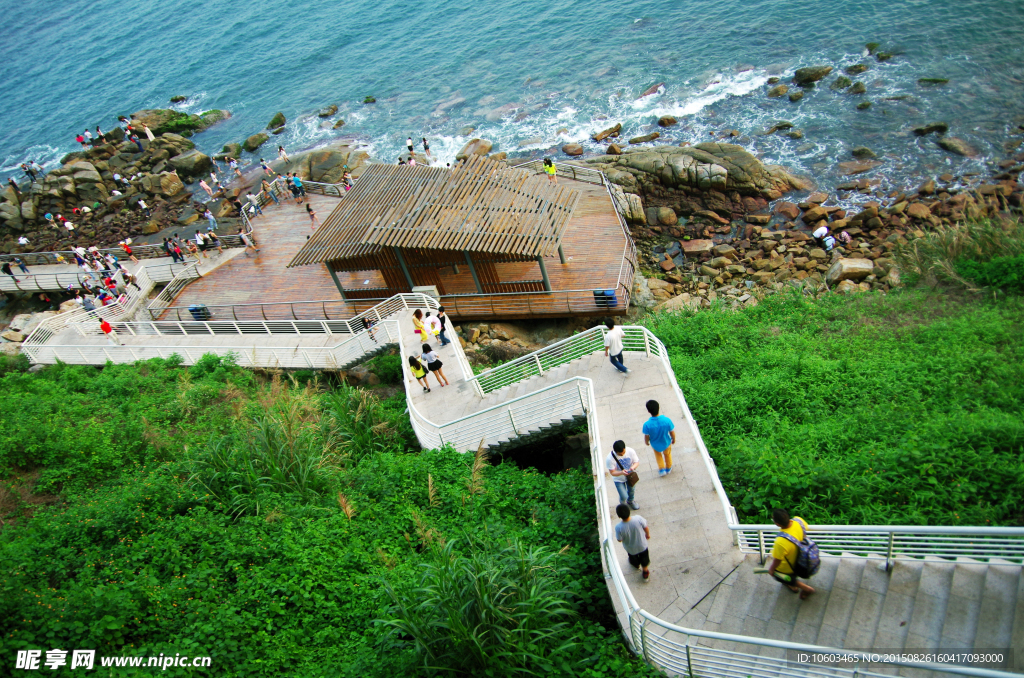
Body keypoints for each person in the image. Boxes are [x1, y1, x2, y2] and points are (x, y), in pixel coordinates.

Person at [767, 509, 817, 599]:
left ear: (777, 523)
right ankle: (793, 586)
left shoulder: (781, 542)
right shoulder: (798, 521)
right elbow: (806, 528)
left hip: (788, 567)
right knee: (792, 576)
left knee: (781, 577)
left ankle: (804, 588)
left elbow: (777, 560)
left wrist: (771, 569)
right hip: (801, 559)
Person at [615, 503, 651, 581]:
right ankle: (645, 572)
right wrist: (647, 534)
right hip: (642, 545)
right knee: (644, 558)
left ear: (619, 516)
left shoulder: (618, 527)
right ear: (629, 511)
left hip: (630, 548)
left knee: (633, 557)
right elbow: (645, 527)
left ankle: (636, 564)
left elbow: (619, 539)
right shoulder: (638, 518)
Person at [642, 400, 676, 477]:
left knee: (658, 456)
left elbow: (646, 436)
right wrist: (673, 439)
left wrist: (646, 442)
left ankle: (661, 469)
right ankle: (668, 467)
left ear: (648, 411)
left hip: (655, 444)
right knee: (667, 454)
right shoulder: (667, 420)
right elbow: (672, 432)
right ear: (659, 407)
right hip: (666, 442)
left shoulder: (647, 424)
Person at [607, 440, 640, 510]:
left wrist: (632, 467)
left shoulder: (630, 451)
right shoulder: (610, 459)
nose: (622, 454)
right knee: (624, 495)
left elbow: (636, 462)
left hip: (630, 476)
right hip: (618, 479)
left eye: (623, 452)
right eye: (620, 454)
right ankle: (623, 504)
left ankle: (631, 501)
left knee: (631, 490)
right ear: (615, 452)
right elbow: (612, 472)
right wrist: (621, 472)